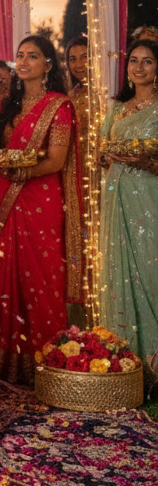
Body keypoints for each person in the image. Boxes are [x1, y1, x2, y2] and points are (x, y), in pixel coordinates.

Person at [0, 35, 83, 383]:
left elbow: (56, 160)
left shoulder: (59, 106)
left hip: (40, 199)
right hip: (6, 194)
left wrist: (18, 171)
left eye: (32, 56)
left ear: (48, 64)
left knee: (41, 274)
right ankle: (4, 359)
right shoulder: (8, 105)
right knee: (4, 269)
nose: (23, 62)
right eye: (20, 55)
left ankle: (45, 360)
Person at [99, 37, 158, 377]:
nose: (138, 67)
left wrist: (145, 162)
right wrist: (106, 155)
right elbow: (102, 150)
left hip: (149, 196)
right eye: (134, 60)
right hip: (116, 194)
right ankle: (126, 365)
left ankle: (153, 366)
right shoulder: (117, 107)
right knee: (118, 267)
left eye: (147, 61)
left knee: (150, 270)